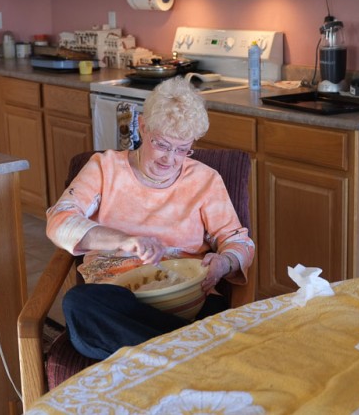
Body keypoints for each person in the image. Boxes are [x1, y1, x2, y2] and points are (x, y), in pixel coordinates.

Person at [46, 76, 255, 360]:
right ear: (143, 127)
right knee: (78, 304)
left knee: (90, 331)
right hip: (119, 300)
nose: (170, 159)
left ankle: (160, 358)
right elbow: (60, 220)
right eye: (162, 144)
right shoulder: (104, 169)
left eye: (183, 149)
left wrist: (225, 263)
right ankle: (188, 355)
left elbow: (238, 242)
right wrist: (125, 241)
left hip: (185, 300)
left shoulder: (205, 181)